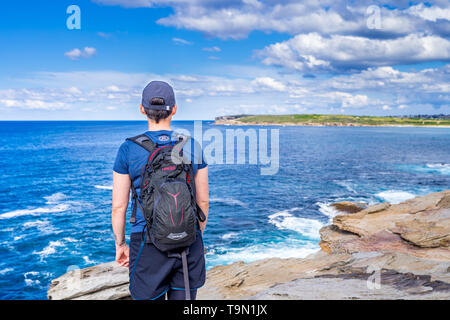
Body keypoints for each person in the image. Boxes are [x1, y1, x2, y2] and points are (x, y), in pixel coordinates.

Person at [111, 81, 209, 300]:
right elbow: (203, 203)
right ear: (174, 109)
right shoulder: (192, 146)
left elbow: (119, 207)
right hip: (188, 242)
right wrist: (193, 233)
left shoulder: (128, 149)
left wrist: (120, 244)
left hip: (147, 243)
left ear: (142, 109)